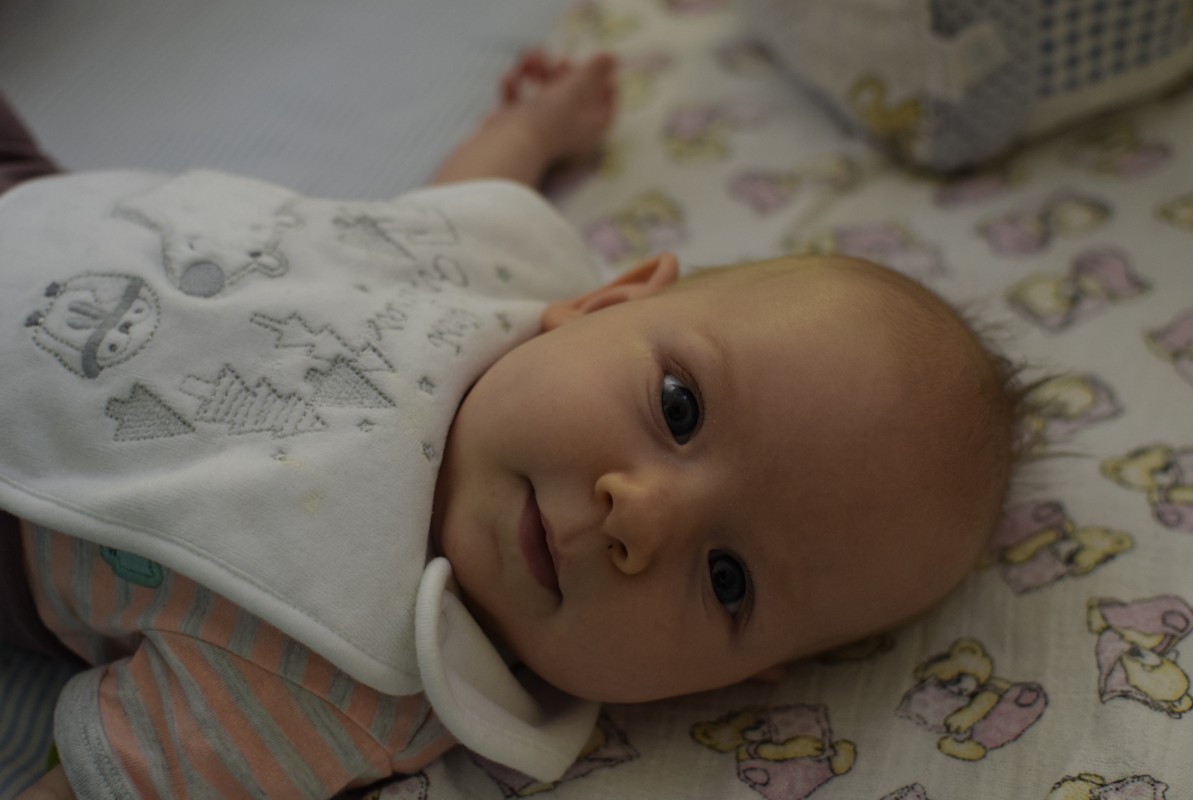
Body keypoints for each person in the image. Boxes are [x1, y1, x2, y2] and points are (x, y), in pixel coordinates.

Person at [1, 50, 1023, 800]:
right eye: (679, 408)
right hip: (48, 204)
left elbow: (112, 777)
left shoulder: (343, 683)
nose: (642, 517)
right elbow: (441, 214)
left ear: (732, 679)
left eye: (728, 580)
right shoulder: (497, 282)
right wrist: (535, 130)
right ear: (606, 301)